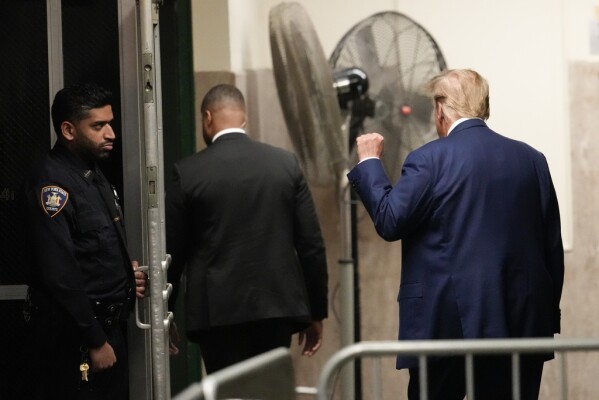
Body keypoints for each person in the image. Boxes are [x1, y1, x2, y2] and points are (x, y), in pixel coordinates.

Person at [347, 69, 564, 400]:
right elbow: (552, 250)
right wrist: (546, 316)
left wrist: (368, 164)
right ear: (483, 107)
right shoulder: (533, 160)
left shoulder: (429, 159)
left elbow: (391, 220)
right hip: (520, 328)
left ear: (440, 109)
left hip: (443, 328)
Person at [165, 83, 328, 373]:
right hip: (276, 309)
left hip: (217, 315)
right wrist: (316, 312)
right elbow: (311, 245)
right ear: (244, 118)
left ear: (207, 117)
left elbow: (172, 252)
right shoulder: (285, 164)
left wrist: (164, 315)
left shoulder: (188, 172)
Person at [23, 82, 147, 400]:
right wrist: (94, 340)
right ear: (68, 129)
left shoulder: (90, 173)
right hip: (76, 339)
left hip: (106, 329)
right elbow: (59, 274)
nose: (111, 134)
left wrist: (124, 275)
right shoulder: (52, 182)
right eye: (99, 126)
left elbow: (92, 249)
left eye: (111, 124)